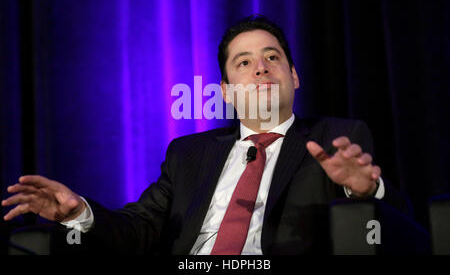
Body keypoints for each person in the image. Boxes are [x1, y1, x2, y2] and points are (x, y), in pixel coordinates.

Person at [2, 15, 409, 254]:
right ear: (228, 92)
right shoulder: (189, 153)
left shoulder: (335, 138)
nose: (261, 68)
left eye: (273, 57)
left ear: (294, 76)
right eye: (244, 62)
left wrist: (363, 192)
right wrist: (79, 212)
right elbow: (140, 227)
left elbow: (399, 227)